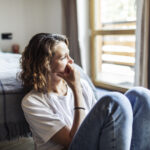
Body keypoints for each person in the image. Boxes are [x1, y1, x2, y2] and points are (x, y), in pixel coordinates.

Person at [20, 33, 150, 150]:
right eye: (64, 57)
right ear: (45, 64)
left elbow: (98, 122)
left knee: (140, 95)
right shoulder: (32, 102)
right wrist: (76, 89)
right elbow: (71, 141)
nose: (71, 61)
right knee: (115, 101)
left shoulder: (82, 84)